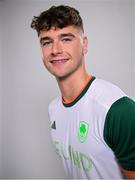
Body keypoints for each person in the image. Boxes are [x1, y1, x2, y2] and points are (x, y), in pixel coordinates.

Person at [31, 5, 135, 179]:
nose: (55, 50)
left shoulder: (118, 110)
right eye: (47, 42)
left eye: (66, 39)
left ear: (84, 44)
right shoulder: (54, 108)